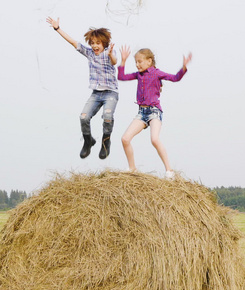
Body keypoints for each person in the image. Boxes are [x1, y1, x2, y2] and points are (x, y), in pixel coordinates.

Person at [46, 17, 118, 159]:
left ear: (104, 43)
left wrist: (111, 55)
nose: (95, 46)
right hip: (96, 94)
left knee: (108, 116)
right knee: (83, 117)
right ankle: (88, 141)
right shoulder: (90, 53)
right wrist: (57, 29)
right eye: (92, 43)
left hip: (110, 93)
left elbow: (114, 61)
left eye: (98, 43)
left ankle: (105, 142)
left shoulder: (109, 52)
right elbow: (73, 42)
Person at [118, 46, 192, 178]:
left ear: (149, 61)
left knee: (154, 139)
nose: (137, 64)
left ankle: (169, 170)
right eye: (136, 62)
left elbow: (175, 78)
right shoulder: (138, 75)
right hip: (141, 112)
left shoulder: (157, 73)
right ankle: (132, 168)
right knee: (125, 139)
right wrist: (123, 61)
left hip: (154, 112)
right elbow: (121, 77)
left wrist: (184, 67)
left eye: (140, 61)